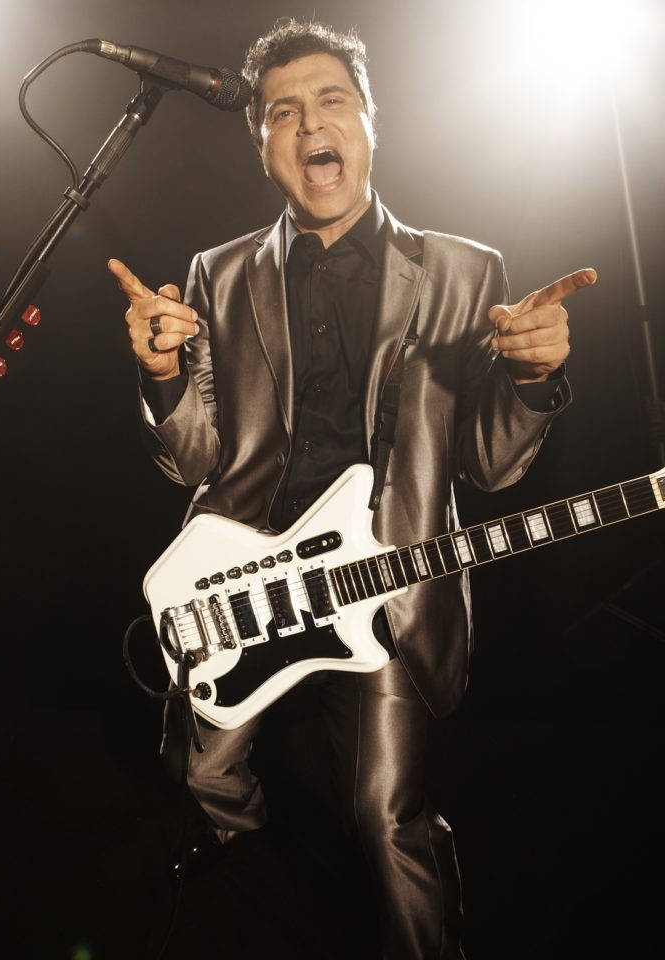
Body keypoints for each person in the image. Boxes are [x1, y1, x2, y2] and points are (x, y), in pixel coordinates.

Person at [108, 19, 595, 959]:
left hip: (383, 580)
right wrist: (162, 375)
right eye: (281, 112)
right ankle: (259, 878)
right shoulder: (218, 274)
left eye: (332, 100)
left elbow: (489, 466)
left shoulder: (465, 272)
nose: (309, 125)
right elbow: (196, 460)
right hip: (242, 577)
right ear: (261, 147)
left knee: (386, 818)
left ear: (371, 122)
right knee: (201, 776)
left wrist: (533, 378)